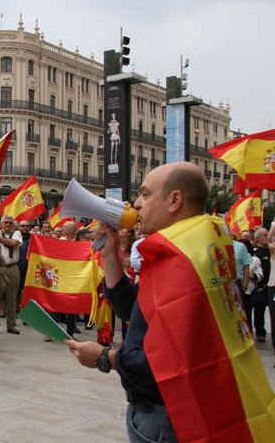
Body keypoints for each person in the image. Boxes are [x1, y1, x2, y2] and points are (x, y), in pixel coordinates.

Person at [64, 161, 213, 442]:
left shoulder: (184, 262)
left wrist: (104, 357)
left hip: (165, 413)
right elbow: (136, 312)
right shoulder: (187, 250)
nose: (137, 204)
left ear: (174, 200)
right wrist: (110, 258)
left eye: (145, 194)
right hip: (164, 409)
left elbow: (165, 361)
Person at [0, 215, 22, 335]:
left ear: (13, 225)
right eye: (6, 222)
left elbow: (14, 243)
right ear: (1, 223)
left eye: (10, 223)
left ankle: (11, 325)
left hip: (13, 267)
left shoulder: (16, 233)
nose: (8, 225)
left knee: (12, 297)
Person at [251, 227, 270, 342]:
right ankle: (260, 332)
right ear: (258, 239)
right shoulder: (255, 253)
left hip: (272, 286)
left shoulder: (272, 251)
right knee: (259, 309)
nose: (267, 237)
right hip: (261, 287)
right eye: (265, 235)